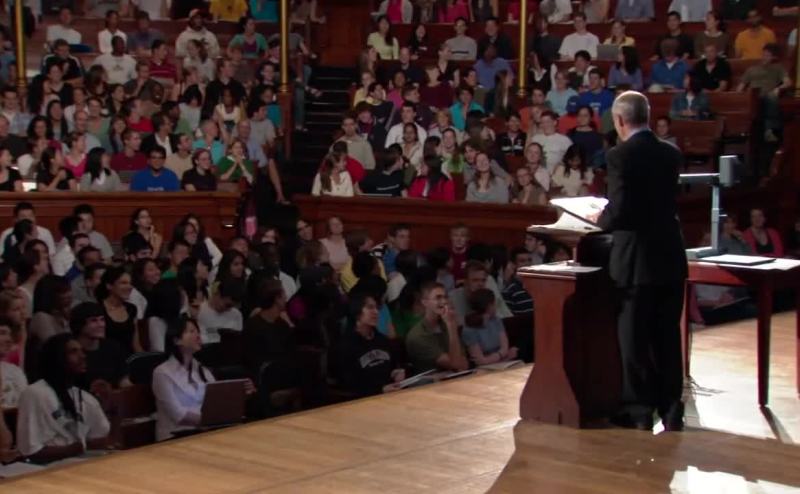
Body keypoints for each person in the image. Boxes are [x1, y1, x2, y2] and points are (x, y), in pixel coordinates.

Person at [594, 90, 687, 431]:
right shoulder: (671, 153)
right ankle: (672, 408)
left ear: (620, 120)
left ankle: (639, 411)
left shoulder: (620, 155)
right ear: (647, 117)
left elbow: (620, 211)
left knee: (633, 338)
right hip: (670, 257)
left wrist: (597, 220)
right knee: (667, 337)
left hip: (636, 260)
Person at [16, 333, 111, 462]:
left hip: (80, 461)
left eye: (81, 351)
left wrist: (107, 403)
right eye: (73, 352)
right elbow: (30, 451)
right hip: (49, 467)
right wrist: (76, 448)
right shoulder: (35, 393)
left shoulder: (84, 397)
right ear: (57, 358)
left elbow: (102, 438)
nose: (82, 356)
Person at [151, 317, 217, 441]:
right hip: (174, 437)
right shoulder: (162, 373)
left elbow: (217, 399)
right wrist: (212, 420)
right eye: (191, 331)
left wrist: (240, 394)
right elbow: (178, 415)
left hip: (204, 432)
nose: (198, 335)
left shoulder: (202, 369)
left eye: (197, 331)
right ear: (176, 340)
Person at [337, 293, 405, 397]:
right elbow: (349, 384)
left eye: (376, 308)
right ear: (357, 312)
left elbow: (392, 366)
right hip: (364, 400)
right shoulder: (346, 345)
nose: (376, 312)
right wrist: (380, 390)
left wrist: (396, 373)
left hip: (391, 394)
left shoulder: (383, 340)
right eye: (370, 307)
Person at [405, 281, 468, 373]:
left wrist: (451, 326)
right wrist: (451, 326)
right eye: (438, 298)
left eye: (445, 297)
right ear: (425, 302)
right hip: (433, 381)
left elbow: (464, 364)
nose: (444, 301)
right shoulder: (418, 335)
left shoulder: (445, 324)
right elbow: (455, 364)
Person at [70, 302, 129, 392]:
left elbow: (124, 377)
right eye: (94, 321)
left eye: (102, 320)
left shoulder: (113, 347)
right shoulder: (71, 352)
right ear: (79, 325)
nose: (101, 324)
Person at [462, 288, 518, 365]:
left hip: (504, 363)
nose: (496, 306)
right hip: (486, 368)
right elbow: (480, 361)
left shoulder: (496, 320)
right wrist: (503, 356)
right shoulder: (469, 329)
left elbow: (504, 348)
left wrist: (497, 357)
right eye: (494, 303)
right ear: (489, 306)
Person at [97, 267, 141, 358]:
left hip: (130, 359)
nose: (130, 287)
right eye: (123, 283)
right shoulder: (98, 309)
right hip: (108, 359)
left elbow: (136, 345)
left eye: (130, 283)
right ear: (109, 286)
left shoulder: (131, 309)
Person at [196, 277, 244, 345]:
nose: (229, 310)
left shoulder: (236, 314)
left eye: (232, 306)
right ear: (217, 294)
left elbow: (237, 340)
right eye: (227, 305)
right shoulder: (199, 312)